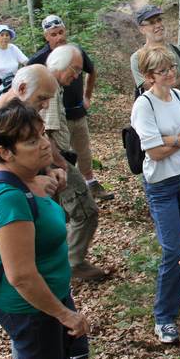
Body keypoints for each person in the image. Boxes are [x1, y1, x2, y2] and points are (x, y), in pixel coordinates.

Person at [0, 100, 90, 359]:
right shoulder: (8, 199)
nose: (43, 144)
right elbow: (21, 276)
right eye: (31, 140)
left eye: (42, 134)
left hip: (50, 297)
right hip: (32, 311)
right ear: (4, 151)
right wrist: (65, 315)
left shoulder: (20, 178)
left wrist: (43, 174)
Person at [130, 47, 180, 343]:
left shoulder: (179, 95)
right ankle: (164, 317)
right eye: (164, 71)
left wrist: (175, 140)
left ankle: (179, 289)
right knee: (172, 248)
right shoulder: (144, 105)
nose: (172, 73)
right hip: (160, 185)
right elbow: (155, 153)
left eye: (172, 68)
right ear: (149, 77)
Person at [28, 14, 113, 201]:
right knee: (60, 155)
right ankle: (64, 193)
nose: (59, 37)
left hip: (77, 111)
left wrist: (87, 96)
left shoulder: (76, 52)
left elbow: (91, 71)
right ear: (46, 36)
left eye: (61, 32)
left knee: (84, 151)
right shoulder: (38, 59)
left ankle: (91, 184)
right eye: (53, 34)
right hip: (54, 120)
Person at [43, 45, 105, 281]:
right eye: (75, 70)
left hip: (55, 161)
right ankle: (72, 263)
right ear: (59, 65)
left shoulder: (54, 86)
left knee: (59, 215)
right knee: (86, 212)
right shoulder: (48, 89)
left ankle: (59, 261)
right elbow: (45, 135)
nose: (78, 75)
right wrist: (62, 166)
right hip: (56, 162)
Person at [0, 65, 61, 189]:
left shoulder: (27, 116)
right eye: (42, 98)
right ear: (22, 88)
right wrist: (30, 184)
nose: (46, 105)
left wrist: (49, 171)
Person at [130, 5, 180, 96]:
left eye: (159, 20)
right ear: (142, 29)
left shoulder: (178, 51)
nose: (158, 25)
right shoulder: (137, 58)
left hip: (178, 109)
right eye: (151, 23)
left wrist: (167, 90)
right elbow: (152, 90)